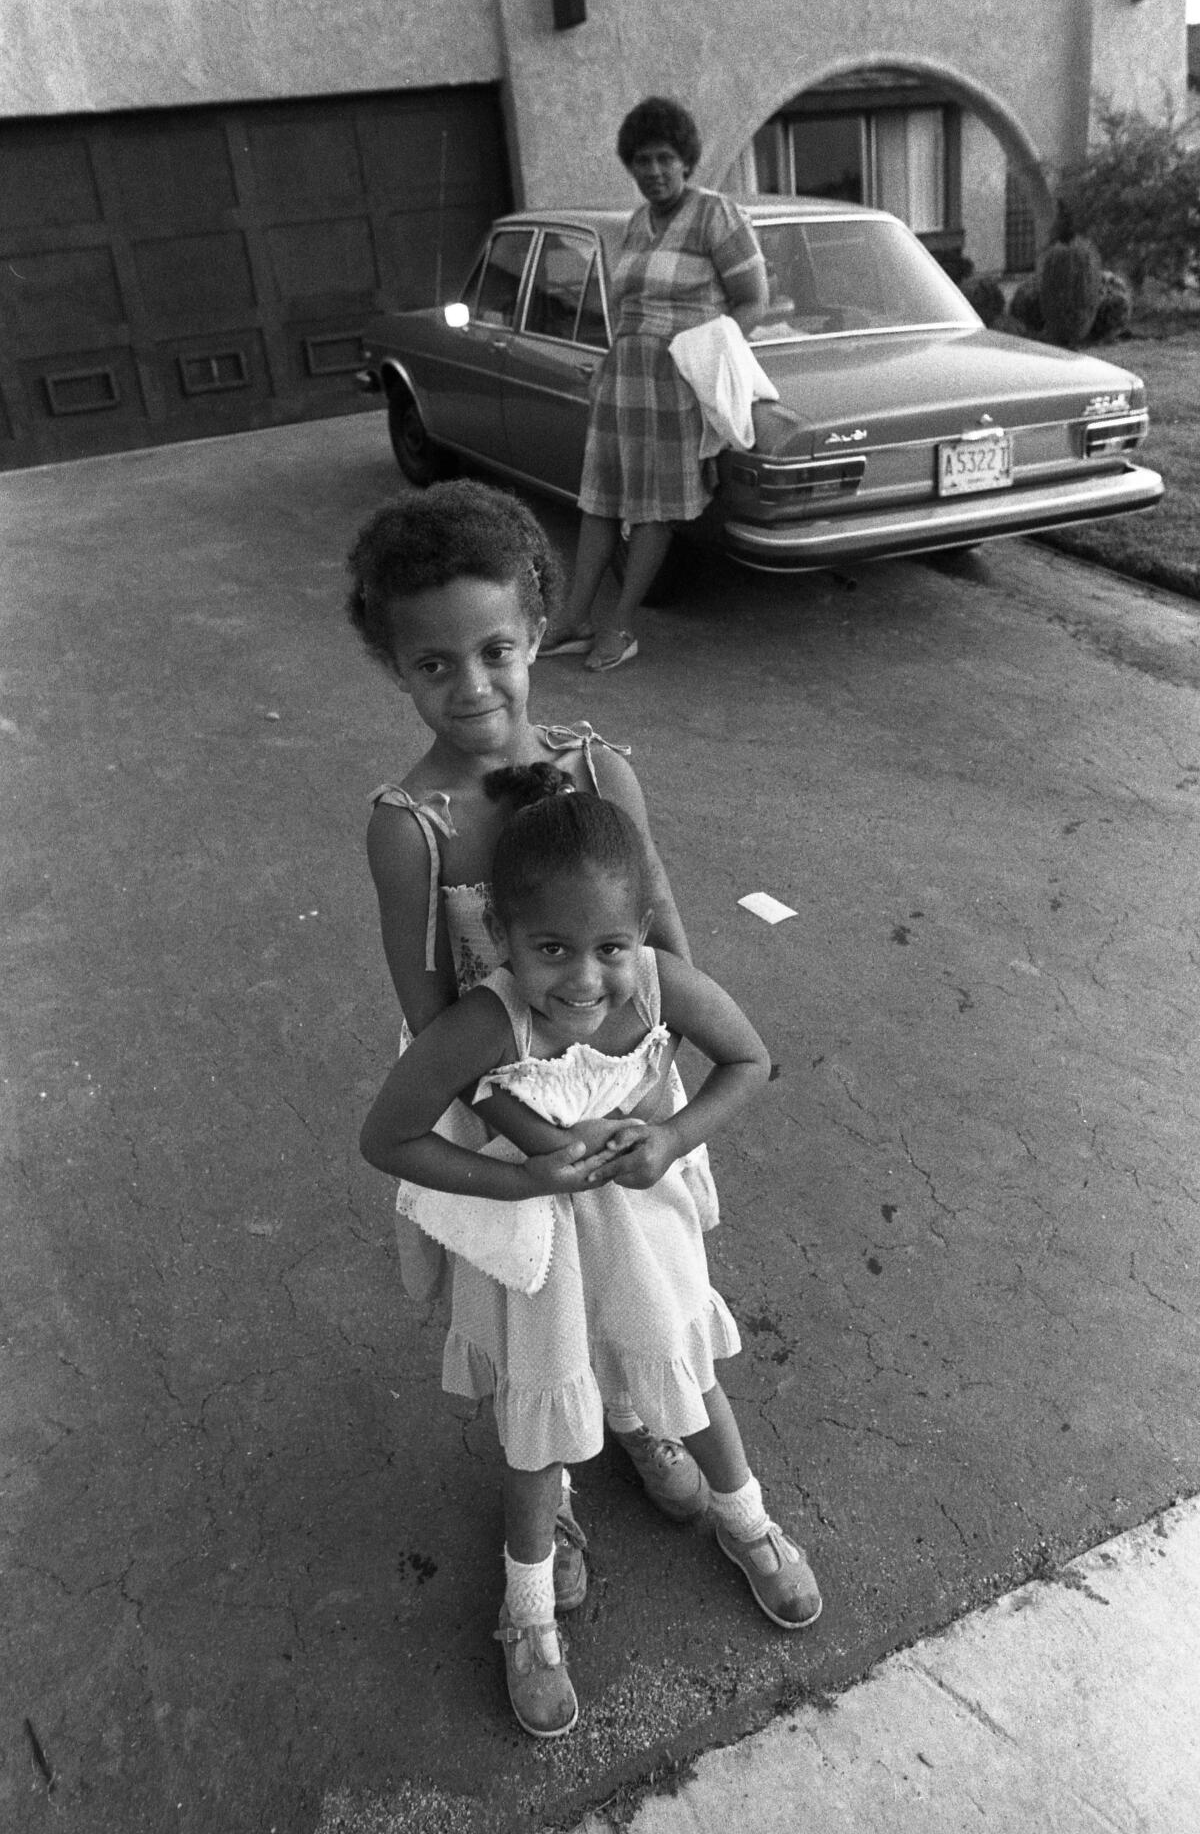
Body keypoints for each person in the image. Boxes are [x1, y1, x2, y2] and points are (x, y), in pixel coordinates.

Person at [359, 779, 823, 1738]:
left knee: (686, 1379)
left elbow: (750, 1061)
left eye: (609, 947)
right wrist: (526, 1183)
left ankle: (748, 1522)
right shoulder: (489, 1023)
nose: (583, 980)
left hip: (647, 1237)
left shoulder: (660, 985)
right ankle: (527, 1616)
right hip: (539, 1269)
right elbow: (390, 1137)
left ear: (641, 929)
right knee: (539, 1429)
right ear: (503, 936)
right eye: (552, 951)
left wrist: (674, 1136)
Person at [345, 476, 720, 1543]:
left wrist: (655, 1091)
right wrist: (536, 1140)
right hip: (501, 1107)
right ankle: (547, 1481)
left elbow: (666, 943)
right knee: (539, 1306)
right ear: (397, 667)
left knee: (638, 1271)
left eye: (495, 649)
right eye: (433, 663)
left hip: (632, 1084)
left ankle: (643, 1413)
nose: (472, 686)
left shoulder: (599, 765)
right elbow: (431, 1016)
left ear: (538, 631)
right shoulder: (410, 826)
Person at [541, 95, 769, 672]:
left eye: (665, 158)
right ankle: (574, 620)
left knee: (653, 511)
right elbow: (626, 306)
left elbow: (753, 300)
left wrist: (706, 360)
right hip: (623, 383)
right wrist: (610, 360)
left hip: (677, 386)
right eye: (642, 160)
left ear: (686, 160)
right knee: (598, 503)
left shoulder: (716, 214)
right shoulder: (638, 223)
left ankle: (620, 627)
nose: (655, 171)